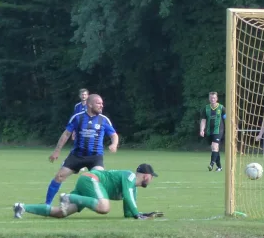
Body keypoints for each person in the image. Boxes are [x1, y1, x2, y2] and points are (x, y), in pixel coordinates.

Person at [44, 94, 119, 206]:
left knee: (98, 180)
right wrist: (57, 151)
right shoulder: (77, 118)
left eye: (102, 103)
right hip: (77, 156)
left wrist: (114, 144)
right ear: (90, 104)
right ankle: (47, 205)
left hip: (95, 157)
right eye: (99, 103)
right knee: (59, 176)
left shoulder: (104, 120)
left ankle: (74, 199)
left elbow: (114, 135)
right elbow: (66, 134)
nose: (102, 106)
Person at [14, 164, 158, 219]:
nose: (151, 180)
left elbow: (128, 213)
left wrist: (142, 215)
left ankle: (22, 207)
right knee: (104, 207)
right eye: (152, 177)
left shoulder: (133, 189)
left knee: (60, 213)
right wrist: (137, 214)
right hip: (91, 179)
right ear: (146, 176)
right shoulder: (130, 176)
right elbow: (128, 197)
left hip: (90, 186)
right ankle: (69, 197)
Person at [200, 92, 226, 172]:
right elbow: (203, 120)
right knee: (215, 149)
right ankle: (219, 167)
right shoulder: (206, 108)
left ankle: (211, 164)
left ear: (217, 98)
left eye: (214, 98)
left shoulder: (221, 108)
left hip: (218, 130)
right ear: (209, 99)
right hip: (209, 131)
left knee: (215, 146)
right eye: (211, 98)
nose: (212, 99)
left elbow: (226, 118)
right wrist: (202, 130)